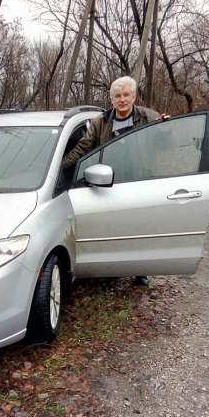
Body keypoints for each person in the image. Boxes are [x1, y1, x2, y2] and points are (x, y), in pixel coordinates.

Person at [63, 75, 161, 286]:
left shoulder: (148, 117)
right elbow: (83, 147)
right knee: (114, 224)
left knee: (139, 226)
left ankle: (140, 270)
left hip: (138, 180)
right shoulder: (101, 122)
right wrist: (61, 167)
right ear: (112, 99)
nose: (122, 99)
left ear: (134, 96)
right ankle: (111, 264)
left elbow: (165, 139)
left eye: (126, 94)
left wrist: (169, 126)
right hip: (109, 180)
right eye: (117, 95)